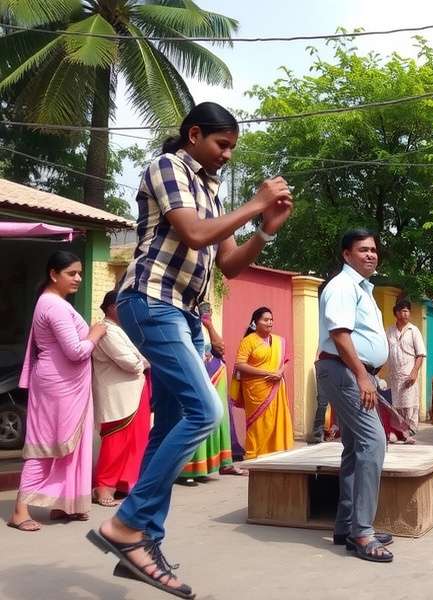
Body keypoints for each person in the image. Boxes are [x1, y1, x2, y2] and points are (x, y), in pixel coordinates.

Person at [87, 101, 293, 598]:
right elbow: (195, 233)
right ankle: (126, 524)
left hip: (184, 311)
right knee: (204, 411)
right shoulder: (167, 167)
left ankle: (142, 540)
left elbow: (229, 266)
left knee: (174, 420)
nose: (227, 155)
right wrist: (254, 202)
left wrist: (264, 228)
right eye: (222, 145)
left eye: (231, 149)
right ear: (194, 134)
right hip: (149, 301)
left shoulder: (210, 189)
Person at [7, 251, 107, 532]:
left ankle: (65, 503)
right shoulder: (54, 306)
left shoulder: (53, 303)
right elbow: (75, 351)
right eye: (71, 273)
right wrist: (96, 334)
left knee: (70, 445)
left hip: (66, 384)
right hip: (59, 385)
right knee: (46, 444)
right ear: (54, 274)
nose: (77, 278)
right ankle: (20, 511)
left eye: (79, 273)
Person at [316, 229, 393, 563]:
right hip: (345, 372)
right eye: (363, 250)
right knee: (373, 444)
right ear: (346, 255)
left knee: (355, 447)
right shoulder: (342, 286)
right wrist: (363, 376)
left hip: (353, 373)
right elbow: (339, 333)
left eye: (373, 250)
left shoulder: (362, 288)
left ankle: (346, 527)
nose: (371, 255)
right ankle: (362, 533)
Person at [92, 290, 151, 507]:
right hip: (118, 396)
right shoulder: (106, 330)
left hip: (135, 392)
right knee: (116, 442)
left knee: (136, 443)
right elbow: (132, 363)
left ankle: (124, 483)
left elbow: (141, 357)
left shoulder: (121, 330)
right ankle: (103, 486)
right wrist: (143, 360)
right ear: (111, 308)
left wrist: (142, 359)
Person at [176, 306, 245, 485]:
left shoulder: (206, 327)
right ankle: (186, 470)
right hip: (194, 374)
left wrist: (209, 325)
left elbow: (220, 348)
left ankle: (210, 466)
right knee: (196, 418)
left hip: (215, 374)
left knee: (218, 422)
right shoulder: (178, 322)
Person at [232, 307, 293, 459]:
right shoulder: (248, 341)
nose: (269, 322)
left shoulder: (279, 341)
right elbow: (240, 364)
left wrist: (280, 372)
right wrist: (266, 373)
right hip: (255, 390)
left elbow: (286, 360)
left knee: (276, 423)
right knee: (258, 425)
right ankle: (253, 457)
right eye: (266, 320)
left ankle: (276, 455)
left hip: (277, 386)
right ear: (255, 322)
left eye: (271, 319)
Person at [385, 299, 426, 444]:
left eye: (407, 311)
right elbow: (384, 352)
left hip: (409, 374)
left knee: (409, 404)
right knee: (395, 406)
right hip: (394, 375)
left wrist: (415, 372)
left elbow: (420, 354)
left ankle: (408, 434)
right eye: (402, 311)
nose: (405, 313)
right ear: (396, 313)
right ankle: (397, 433)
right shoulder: (389, 331)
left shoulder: (413, 331)